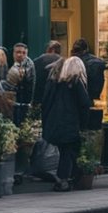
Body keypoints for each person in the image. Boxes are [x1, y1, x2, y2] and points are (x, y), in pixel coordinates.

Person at [41, 55, 93, 192]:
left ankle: (65, 177)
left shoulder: (54, 82)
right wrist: (84, 124)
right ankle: (63, 179)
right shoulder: (76, 82)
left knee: (66, 150)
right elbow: (84, 103)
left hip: (54, 123)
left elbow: (45, 102)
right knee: (68, 150)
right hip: (70, 123)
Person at [6, 43, 36, 126]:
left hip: (22, 99)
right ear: (13, 53)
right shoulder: (9, 61)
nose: (20, 55)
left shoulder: (29, 64)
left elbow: (28, 82)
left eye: (23, 53)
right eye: (18, 52)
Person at [33, 40, 63, 107]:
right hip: (56, 100)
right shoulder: (64, 62)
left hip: (39, 98)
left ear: (50, 49)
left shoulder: (37, 61)